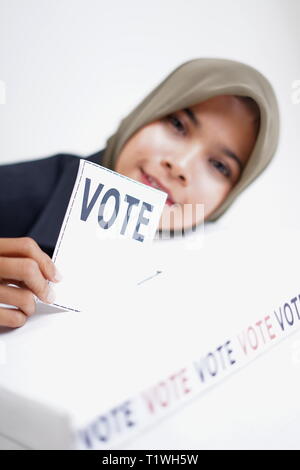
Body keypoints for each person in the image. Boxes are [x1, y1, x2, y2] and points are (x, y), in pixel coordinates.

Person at [0, 57, 280, 328]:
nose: (180, 165)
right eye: (178, 125)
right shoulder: (16, 192)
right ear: (147, 112)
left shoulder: (221, 280)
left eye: (219, 165)